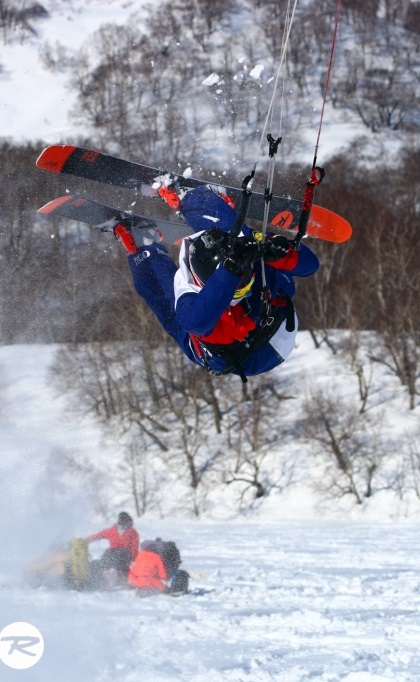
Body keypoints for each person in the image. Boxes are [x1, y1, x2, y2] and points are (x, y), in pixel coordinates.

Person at [110, 183, 320, 381]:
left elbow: (196, 321)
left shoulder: (194, 308)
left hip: (254, 347)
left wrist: (258, 255)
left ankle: (142, 247)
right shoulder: (241, 277)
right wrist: (274, 250)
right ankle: (194, 200)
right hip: (276, 330)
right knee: (242, 238)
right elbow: (311, 265)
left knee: (164, 301)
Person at [84, 511, 139, 586]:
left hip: (125, 553)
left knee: (115, 562)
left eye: (124, 520)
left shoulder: (132, 532)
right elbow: (99, 535)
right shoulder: (112, 530)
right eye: (121, 520)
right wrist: (86, 540)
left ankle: (113, 580)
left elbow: (134, 546)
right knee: (105, 560)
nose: (122, 522)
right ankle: (105, 578)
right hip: (112, 551)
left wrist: (133, 559)